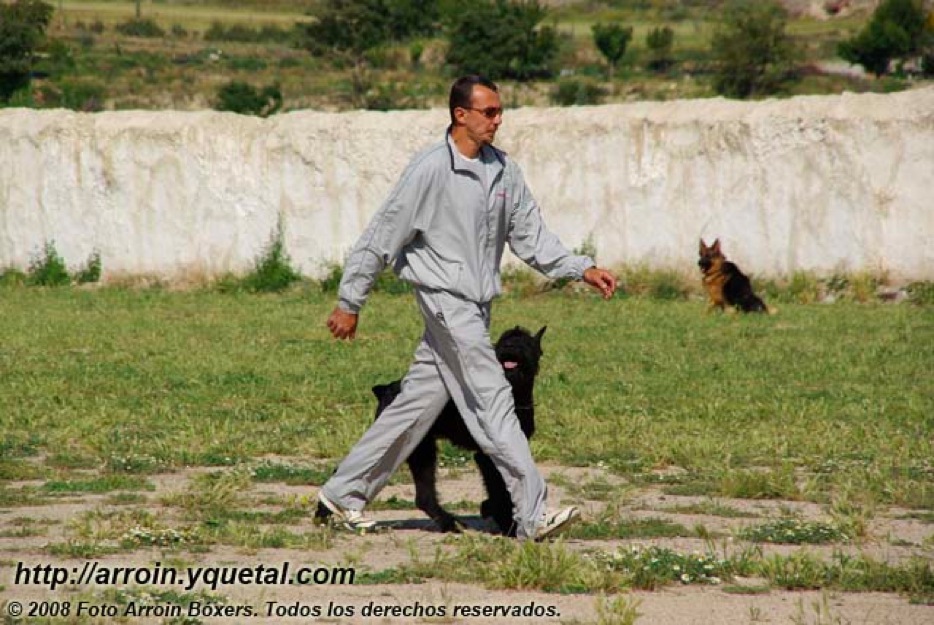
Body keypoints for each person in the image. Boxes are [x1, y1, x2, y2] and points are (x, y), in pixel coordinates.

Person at [318, 75, 617, 541]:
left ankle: (340, 495)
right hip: (443, 302)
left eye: (500, 111)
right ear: (461, 114)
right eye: (490, 112)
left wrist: (582, 267)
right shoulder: (430, 170)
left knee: (413, 406)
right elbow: (381, 237)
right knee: (494, 401)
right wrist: (349, 300)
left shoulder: (504, 170)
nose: (499, 120)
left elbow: (531, 238)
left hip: (476, 307)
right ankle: (531, 516)